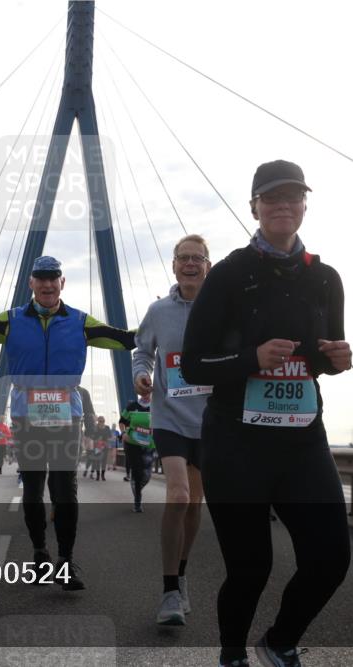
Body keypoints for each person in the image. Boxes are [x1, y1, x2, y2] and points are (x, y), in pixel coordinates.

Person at [181, 160, 352, 667]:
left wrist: (338, 361)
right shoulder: (231, 274)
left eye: (293, 197)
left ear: (304, 205)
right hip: (237, 443)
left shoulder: (325, 277)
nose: (283, 205)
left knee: (330, 559)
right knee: (251, 567)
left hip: (302, 440)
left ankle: (278, 641)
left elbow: (322, 358)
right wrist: (250, 360)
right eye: (272, 198)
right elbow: (193, 364)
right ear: (253, 207)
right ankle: (231, 654)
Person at [0, 257, 132, 591]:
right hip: (26, 416)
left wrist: (169, 323)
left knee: (65, 491)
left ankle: (66, 561)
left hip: (67, 416)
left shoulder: (79, 321)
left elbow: (124, 340)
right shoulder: (12, 320)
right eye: (41, 279)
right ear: (31, 283)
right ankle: (39, 554)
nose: (48, 285)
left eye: (54, 279)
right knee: (33, 490)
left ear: (63, 283)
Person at [133, 233, 212, 626]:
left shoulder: (222, 307)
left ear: (208, 265)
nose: (190, 263)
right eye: (183, 257)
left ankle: (181, 577)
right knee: (178, 496)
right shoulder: (159, 311)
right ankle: (168, 592)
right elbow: (142, 349)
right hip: (169, 417)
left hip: (209, 420)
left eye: (197, 257)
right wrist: (141, 374)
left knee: (194, 504)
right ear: (174, 265)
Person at [119, 397, 154, 508]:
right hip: (132, 443)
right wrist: (124, 433)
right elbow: (122, 421)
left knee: (147, 474)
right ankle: (137, 500)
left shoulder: (156, 406)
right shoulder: (132, 406)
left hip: (149, 444)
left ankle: (135, 485)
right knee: (137, 470)